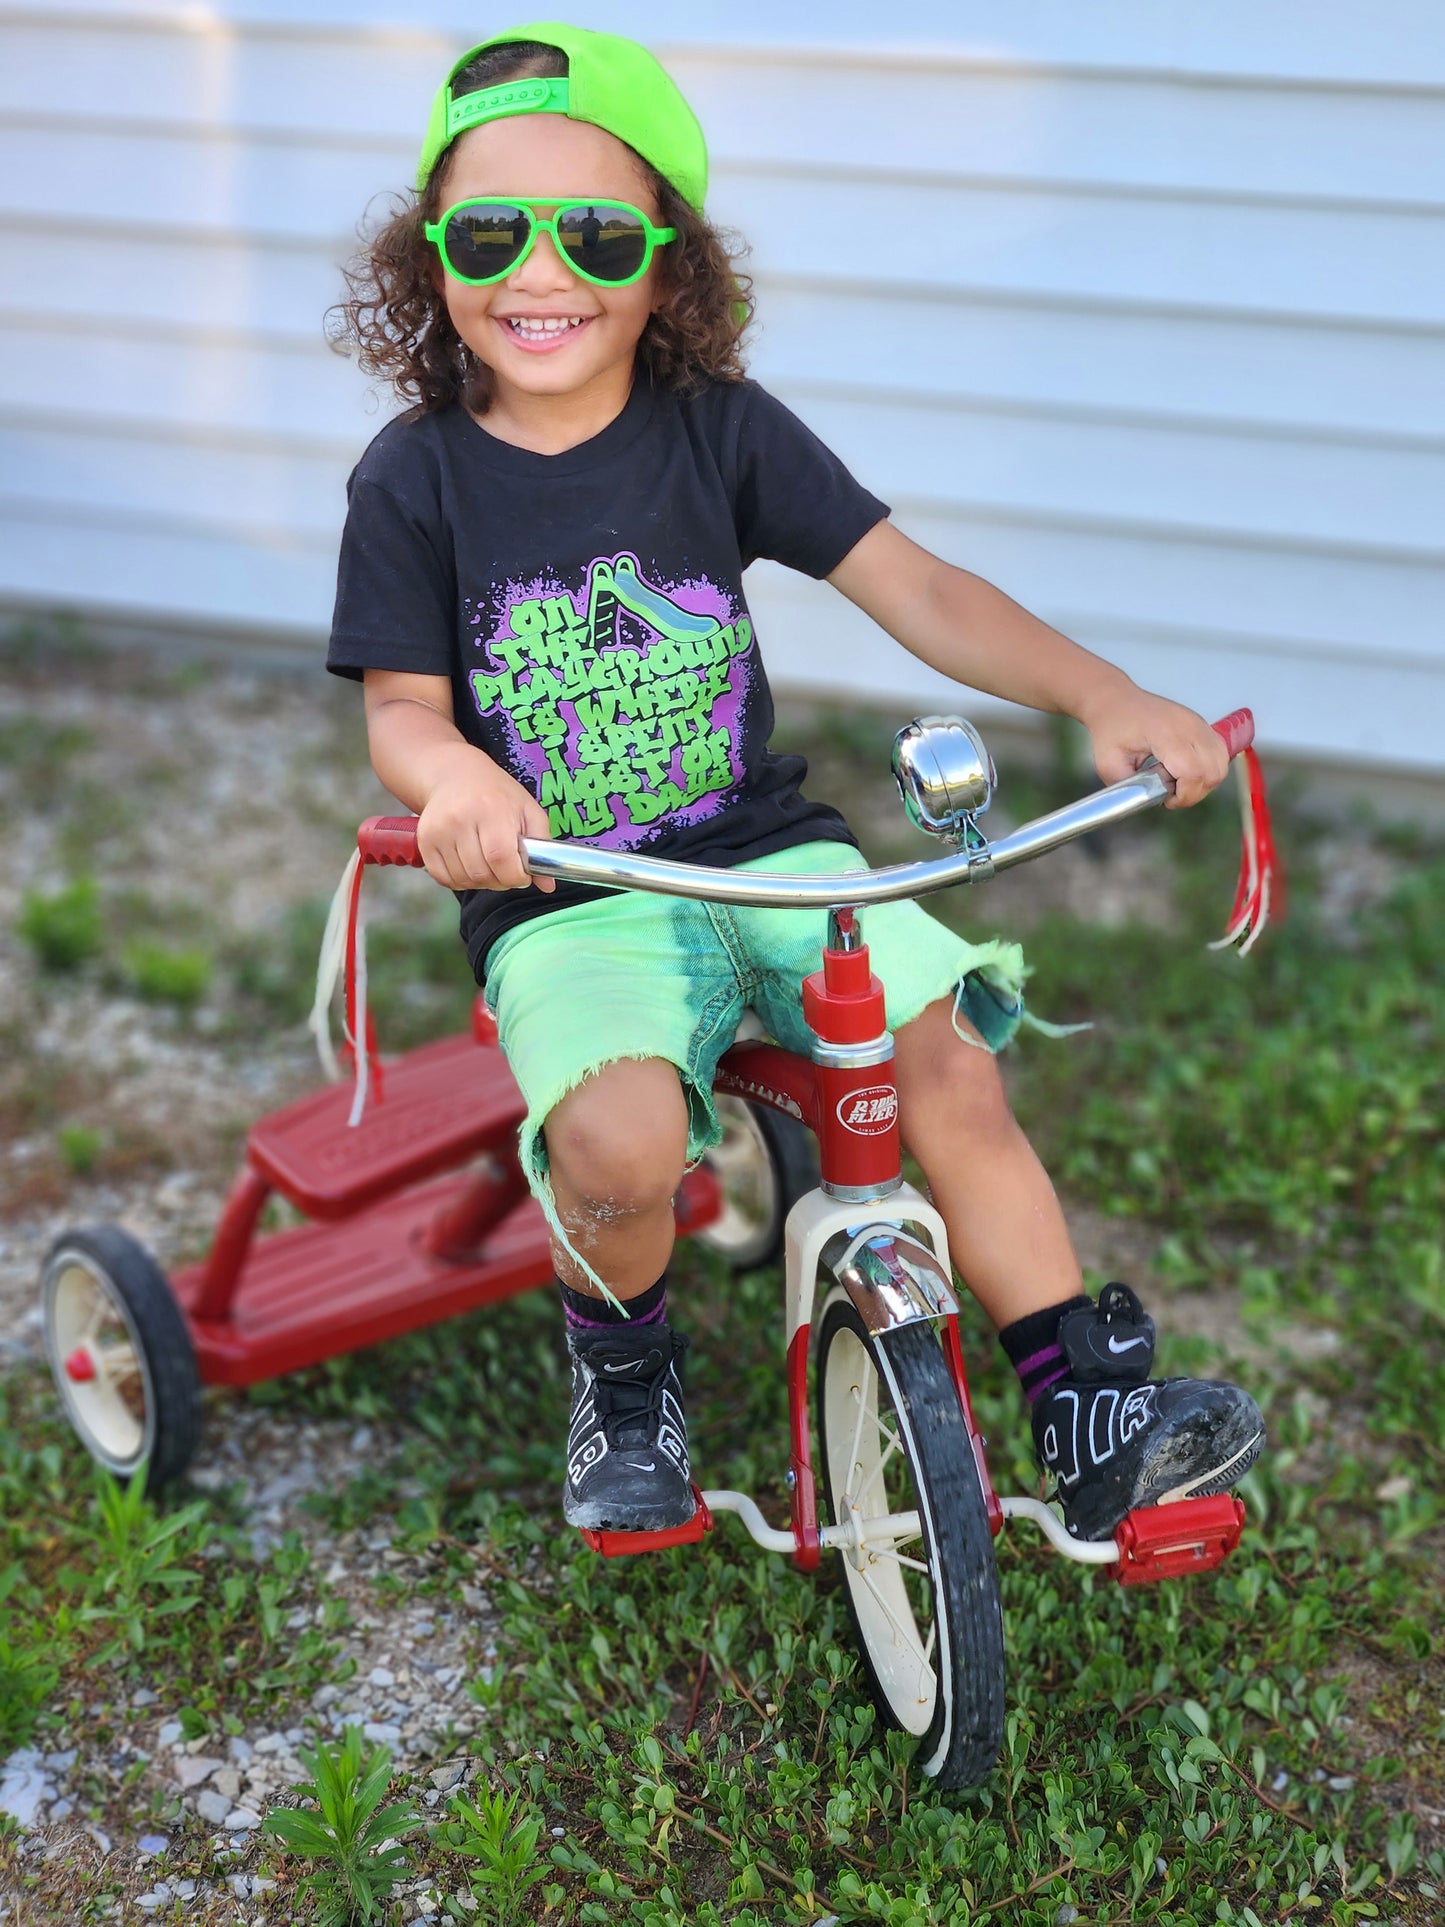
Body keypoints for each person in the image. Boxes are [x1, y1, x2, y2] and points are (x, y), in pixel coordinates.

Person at [327, 24, 1264, 1544]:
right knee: (618, 1150)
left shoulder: (722, 433)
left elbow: (920, 588)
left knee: (944, 1064)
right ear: (429, 257)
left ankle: (1088, 1406)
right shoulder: (415, 478)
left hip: (762, 852)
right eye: (489, 230)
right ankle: (624, 1381)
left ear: (667, 266)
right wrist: (452, 784)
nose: (539, 271)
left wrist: (1099, 692)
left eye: (596, 232)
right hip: (569, 889)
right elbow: (401, 707)